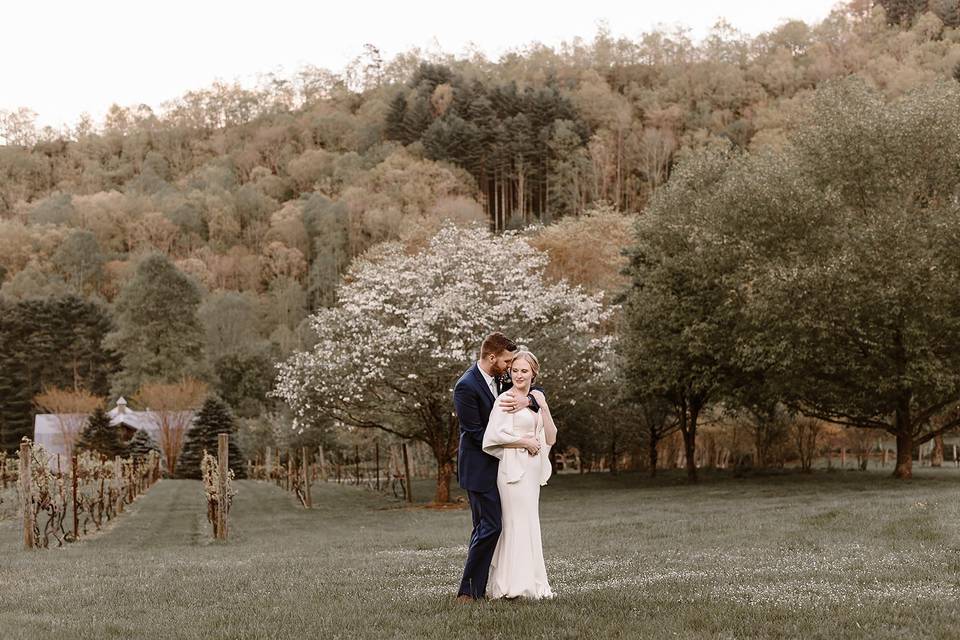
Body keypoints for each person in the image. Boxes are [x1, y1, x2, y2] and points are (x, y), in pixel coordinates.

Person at [453, 332, 541, 602]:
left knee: (485, 527)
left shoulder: (498, 380)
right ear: (492, 357)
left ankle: (475, 589)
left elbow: (531, 390)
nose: (510, 367)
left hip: (499, 469)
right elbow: (477, 433)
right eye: (506, 362)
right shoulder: (466, 386)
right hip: (478, 469)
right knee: (490, 526)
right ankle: (467, 592)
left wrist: (529, 401)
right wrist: (517, 443)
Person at [482, 349, 557, 599]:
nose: (519, 375)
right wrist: (524, 442)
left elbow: (552, 436)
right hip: (512, 472)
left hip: (532, 471)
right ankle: (510, 585)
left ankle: (533, 583)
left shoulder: (536, 399)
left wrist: (543, 405)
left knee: (529, 523)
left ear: (533, 373)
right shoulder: (505, 400)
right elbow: (493, 436)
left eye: (524, 371)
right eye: (515, 371)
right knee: (515, 523)